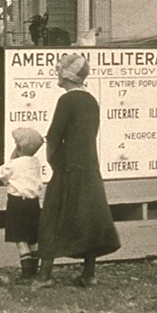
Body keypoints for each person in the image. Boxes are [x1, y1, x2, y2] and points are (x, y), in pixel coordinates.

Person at [32, 53, 121, 289]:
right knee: (88, 219)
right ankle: (88, 274)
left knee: (52, 217)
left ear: (67, 75)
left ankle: (44, 276)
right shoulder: (91, 100)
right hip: (90, 167)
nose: (57, 75)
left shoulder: (67, 101)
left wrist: (54, 164)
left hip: (68, 168)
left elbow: (53, 138)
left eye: (60, 71)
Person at [0, 127, 45, 280]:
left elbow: (2, 174)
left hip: (17, 203)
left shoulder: (14, 164)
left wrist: (12, 157)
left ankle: (25, 273)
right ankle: (34, 270)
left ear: (18, 147)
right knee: (33, 238)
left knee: (20, 239)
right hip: (33, 204)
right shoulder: (35, 162)